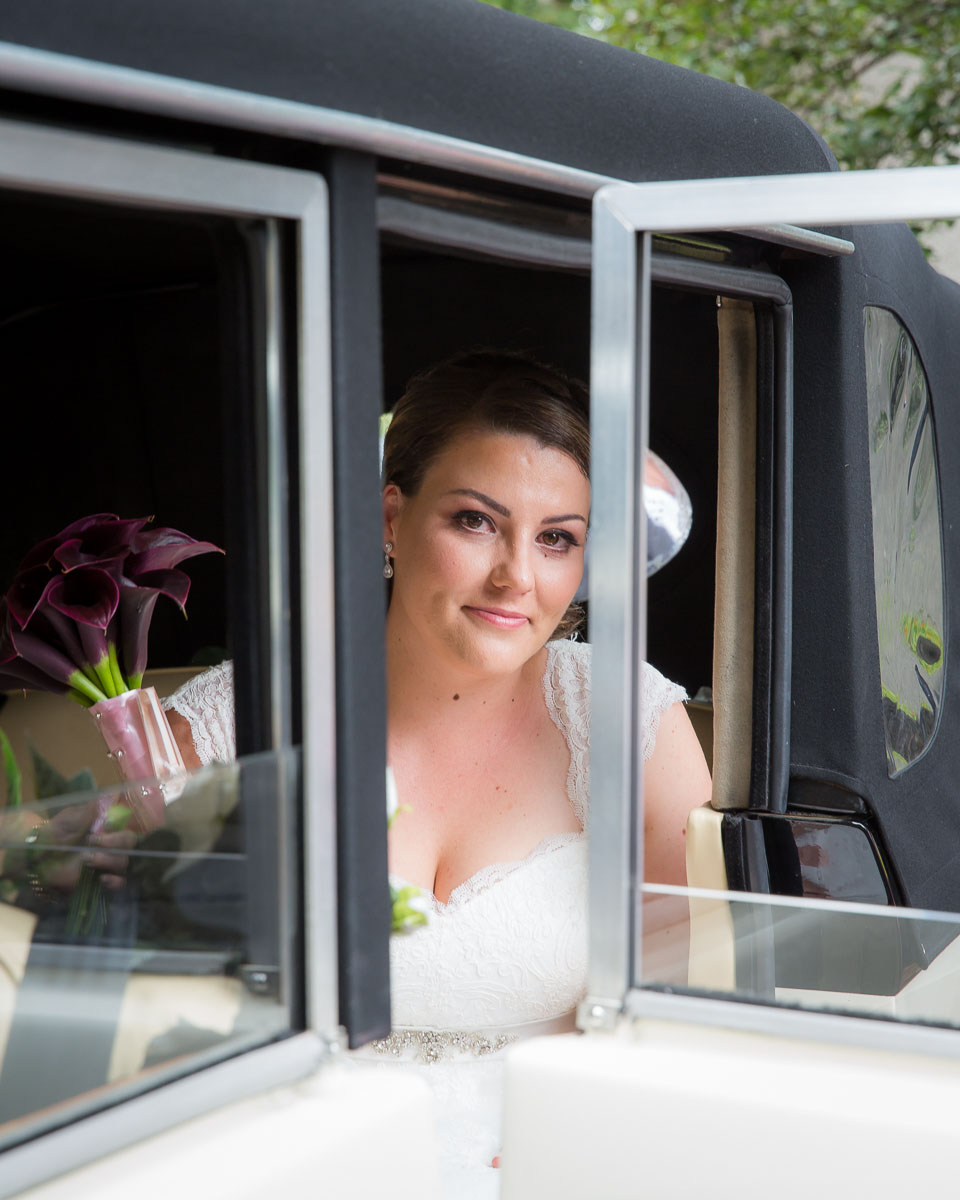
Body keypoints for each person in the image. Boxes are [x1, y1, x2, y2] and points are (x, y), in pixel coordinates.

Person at [164, 351, 712, 1198]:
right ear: (391, 518)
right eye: (475, 522)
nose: (516, 577)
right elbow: (147, 1014)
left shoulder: (626, 719)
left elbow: (692, 1012)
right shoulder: (228, 727)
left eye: (557, 538)